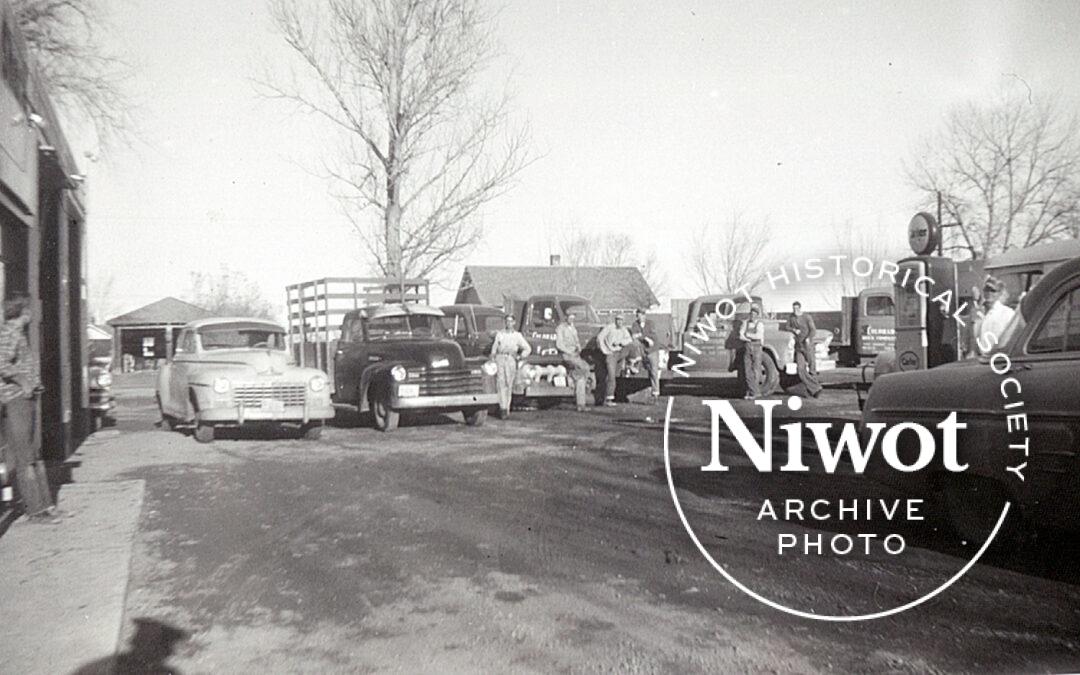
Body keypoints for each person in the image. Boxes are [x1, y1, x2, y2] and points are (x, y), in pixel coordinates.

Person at [0, 295, 54, 523]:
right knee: (25, 458)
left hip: (25, 399)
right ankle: (36, 511)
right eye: (31, 308)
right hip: (16, 401)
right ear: (23, 310)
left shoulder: (17, 333)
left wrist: (33, 384)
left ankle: (46, 506)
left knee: (34, 455)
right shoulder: (9, 332)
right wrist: (23, 381)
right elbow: (1, 363)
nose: (34, 312)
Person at [489, 314, 531, 419]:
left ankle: (506, 407)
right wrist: (493, 357)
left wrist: (520, 356)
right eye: (507, 321)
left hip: (511, 359)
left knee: (509, 384)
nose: (509, 323)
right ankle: (502, 408)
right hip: (500, 358)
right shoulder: (500, 334)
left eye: (511, 321)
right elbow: (494, 348)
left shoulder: (517, 335)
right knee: (501, 383)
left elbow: (528, 348)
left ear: (514, 323)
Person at [785, 301, 823, 398]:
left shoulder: (807, 317)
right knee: (800, 370)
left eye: (797, 308)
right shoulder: (791, 317)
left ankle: (813, 391)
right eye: (794, 308)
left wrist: (808, 338)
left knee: (812, 368)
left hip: (807, 345)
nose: (795, 310)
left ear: (800, 308)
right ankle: (816, 388)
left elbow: (813, 330)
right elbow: (787, 326)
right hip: (798, 346)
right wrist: (793, 330)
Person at [596, 314, 634, 407]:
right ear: (615, 320)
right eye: (618, 320)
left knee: (617, 376)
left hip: (619, 354)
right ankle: (608, 399)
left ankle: (632, 362)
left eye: (621, 320)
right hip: (610, 354)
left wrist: (621, 342)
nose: (619, 322)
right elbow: (600, 338)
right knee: (611, 377)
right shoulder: (609, 328)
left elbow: (629, 339)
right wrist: (604, 350)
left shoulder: (623, 329)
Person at [555, 311, 590, 412]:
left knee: (582, 375)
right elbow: (559, 344)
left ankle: (581, 404)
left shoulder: (573, 328)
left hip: (576, 355)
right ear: (566, 317)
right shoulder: (561, 328)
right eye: (570, 317)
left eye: (573, 318)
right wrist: (570, 352)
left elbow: (577, 341)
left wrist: (578, 347)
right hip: (567, 355)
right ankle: (571, 379)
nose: (571, 319)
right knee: (583, 369)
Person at [974, 276, 1015, 355]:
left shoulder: (1007, 314)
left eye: (993, 290)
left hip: (998, 358)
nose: (989, 293)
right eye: (986, 289)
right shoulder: (976, 312)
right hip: (979, 359)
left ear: (1000, 293)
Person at [629, 308, 661, 398]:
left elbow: (653, 335)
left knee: (654, 370)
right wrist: (645, 338)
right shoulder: (635, 324)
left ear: (644, 315)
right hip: (642, 349)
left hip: (652, 349)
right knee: (634, 344)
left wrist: (641, 336)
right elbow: (634, 336)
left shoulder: (650, 323)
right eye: (638, 315)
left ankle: (656, 391)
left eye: (642, 315)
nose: (640, 317)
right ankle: (634, 365)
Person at [739, 305, 765, 399]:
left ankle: (753, 392)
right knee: (747, 370)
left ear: (757, 315)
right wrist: (748, 337)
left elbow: (758, 336)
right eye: (751, 313)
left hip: (757, 348)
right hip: (747, 346)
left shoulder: (760, 324)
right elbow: (741, 335)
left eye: (755, 314)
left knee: (756, 370)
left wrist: (748, 335)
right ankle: (751, 391)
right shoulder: (745, 323)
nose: (753, 316)